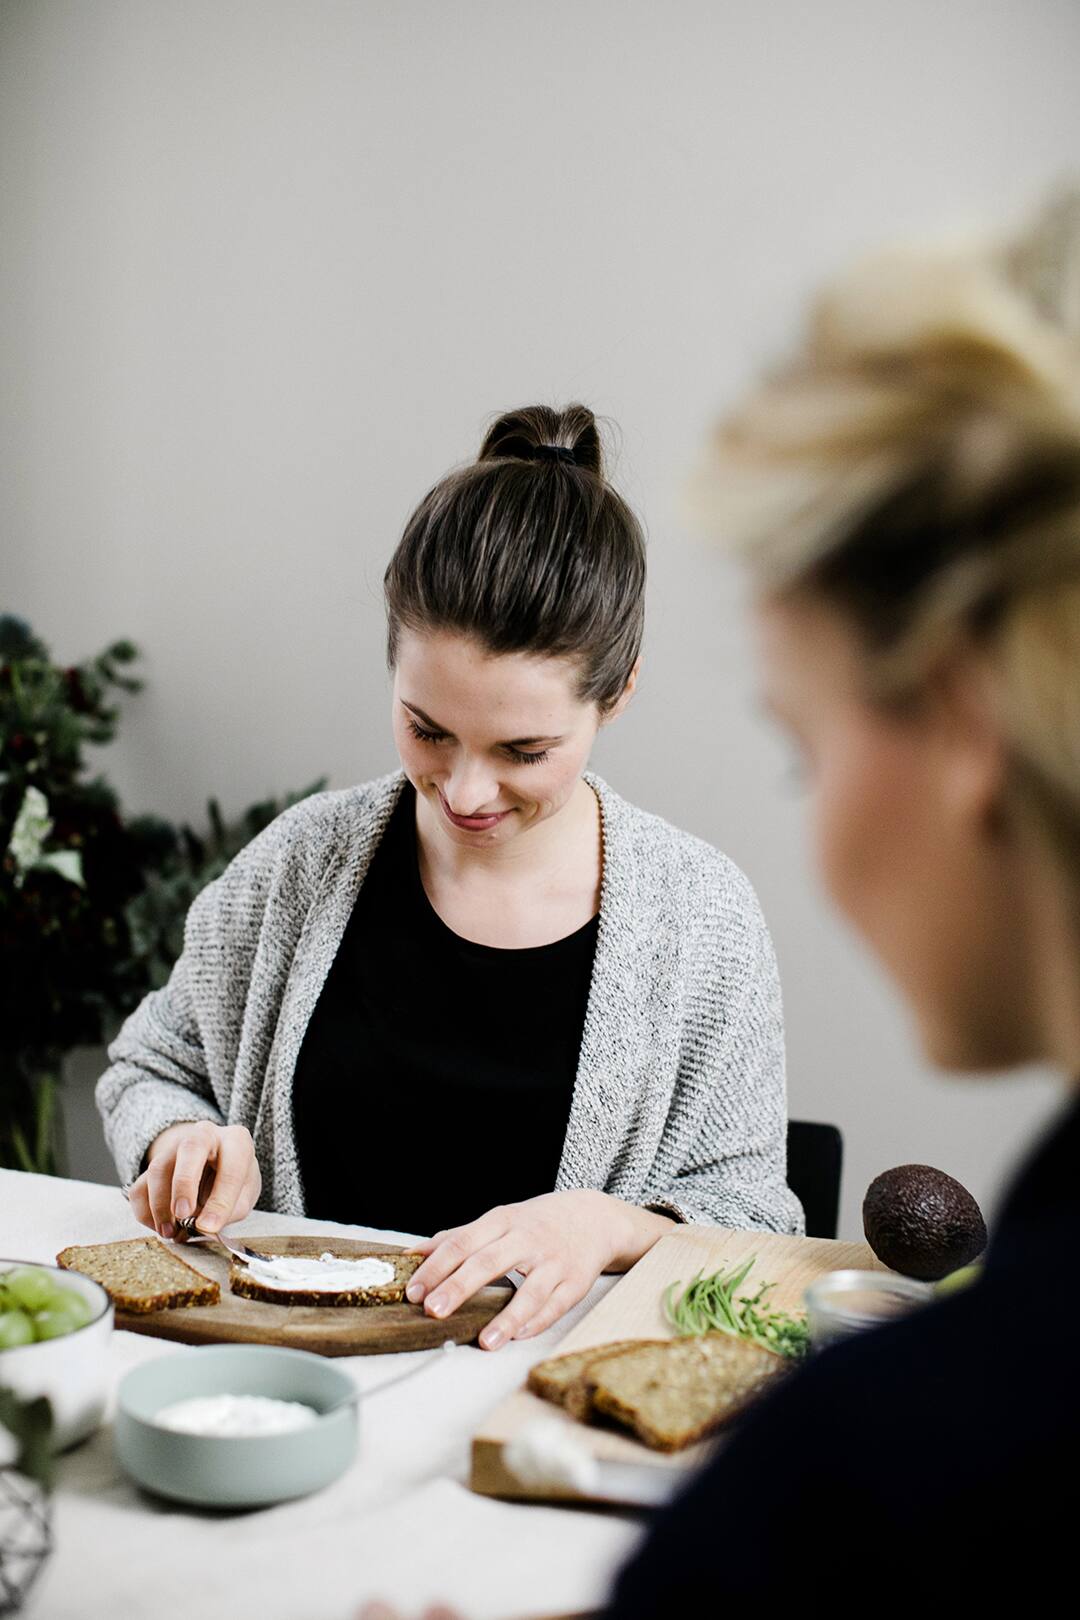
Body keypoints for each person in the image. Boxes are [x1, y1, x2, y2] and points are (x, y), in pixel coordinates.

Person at [358, 189, 1080, 1616]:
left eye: (801, 748)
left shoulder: (875, 1471)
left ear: (959, 732)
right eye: (429, 731)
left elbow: (743, 1209)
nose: (466, 790)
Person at [97, 402, 802, 1349]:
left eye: (524, 748)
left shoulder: (702, 920)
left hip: (536, 1416)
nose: (466, 792)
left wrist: (610, 1227)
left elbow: (757, 1222)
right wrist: (176, 1140)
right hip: (287, 1384)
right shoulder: (302, 864)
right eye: (427, 729)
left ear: (621, 689)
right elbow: (151, 1068)